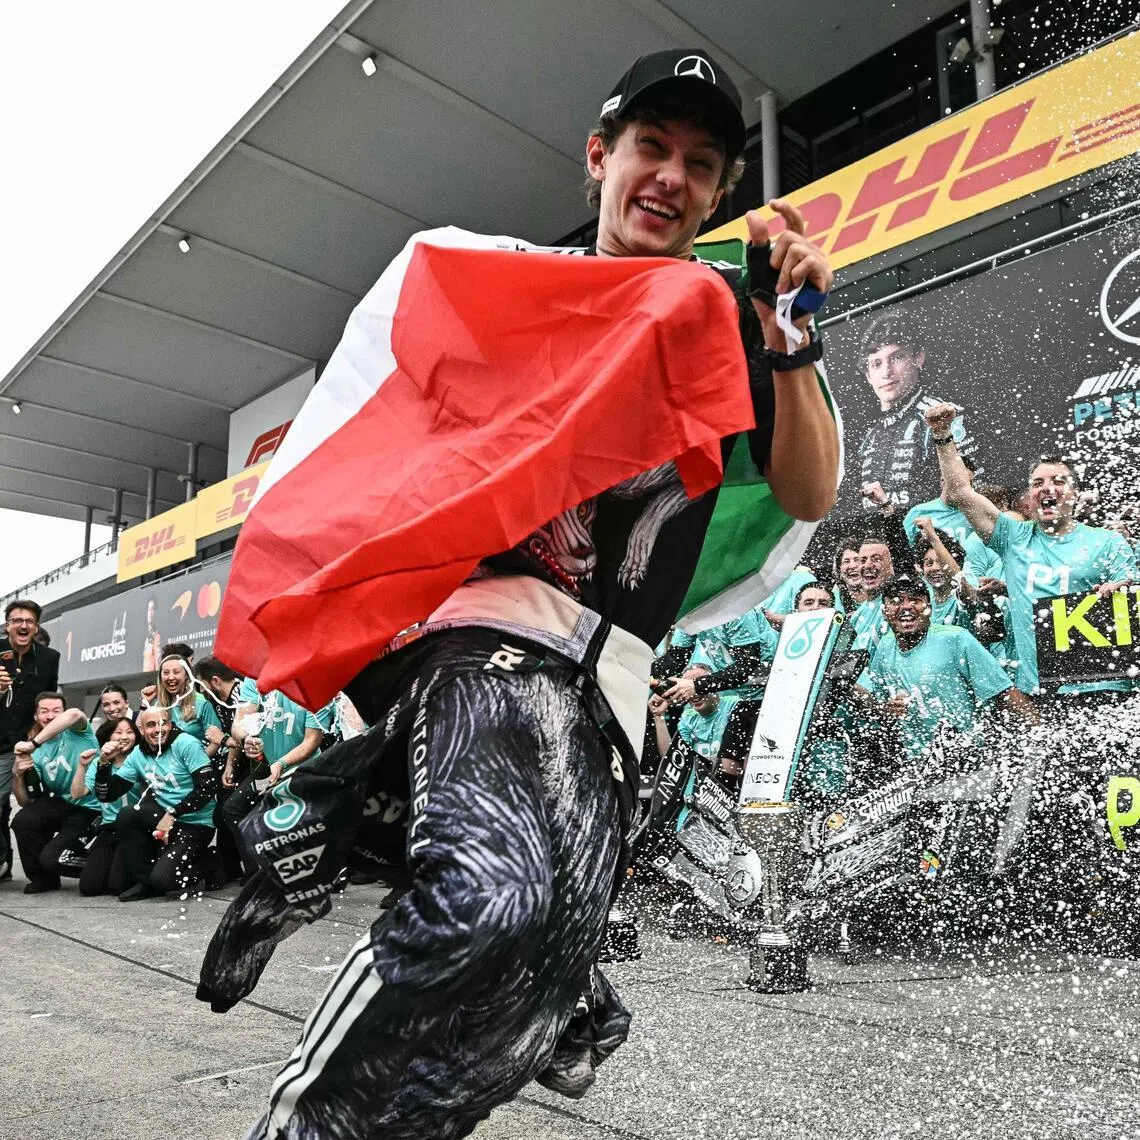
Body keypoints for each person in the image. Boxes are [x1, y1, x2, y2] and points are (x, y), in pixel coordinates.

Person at [199, 47, 840, 1140]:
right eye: (650, 148)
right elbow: (395, 452)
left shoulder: (732, 313)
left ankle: (378, 833)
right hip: (490, 646)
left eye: (698, 162)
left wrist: (789, 335)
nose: (669, 179)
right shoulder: (506, 286)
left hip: (610, 695)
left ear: (720, 192)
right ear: (600, 158)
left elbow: (809, 488)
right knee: (488, 907)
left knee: (536, 998)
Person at [925, 403, 1137, 702]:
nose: (1047, 488)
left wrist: (1122, 590)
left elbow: (1131, 595)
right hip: (1042, 692)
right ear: (1029, 495)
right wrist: (942, 435)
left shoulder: (1108, 542)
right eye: (1038, 483)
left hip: (1107, 687)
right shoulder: (1012, 538)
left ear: (1075, 493)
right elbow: (961, 492)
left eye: (1058, 481)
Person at [853, 575, 1036, 760]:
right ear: (884, 611)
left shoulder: (955, 639)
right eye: (896, 601)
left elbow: (1003, 692)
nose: (906, 606)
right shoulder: (885, 647)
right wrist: (887, 708)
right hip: (920, 765)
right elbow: (878, 707)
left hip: (967, 757)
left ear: (929, 609)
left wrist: (1042, 734)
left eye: (915, 600)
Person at [854, 313, 981, 511]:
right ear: (868, 375)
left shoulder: (944, 416)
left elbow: (975, 493)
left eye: (896, 357)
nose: (887, 372)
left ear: (918, 358)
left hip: (937, 538)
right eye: (876, 363)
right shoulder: (870, 436)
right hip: (883, 538)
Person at [95, 707, 218, 900]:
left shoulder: (186, 744)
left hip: (196, 823)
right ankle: (147, 881)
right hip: (164, 819)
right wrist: (103, 764)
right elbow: (108, 795)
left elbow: (208, 787)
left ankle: (211, 865)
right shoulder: (137, 755)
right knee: (127, 815)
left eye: (163, 723)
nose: (158, 729)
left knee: (165, 880)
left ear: (170, 725)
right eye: (151, 725)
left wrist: (173, 814)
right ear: (142, 730)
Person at [222, 680, 331, 881]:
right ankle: (258, 875)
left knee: (290, 821)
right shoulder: (255, 679)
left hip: (302, 768)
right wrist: (246, 738)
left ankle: (319, 869)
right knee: (234, 808)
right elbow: (238, 723)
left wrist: (280, 764)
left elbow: (311, 742)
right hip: (266, 767)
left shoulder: (313, 682)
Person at [10, 694, 101, 894]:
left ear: (62, 713)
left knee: (52, 859)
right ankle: (44, 880)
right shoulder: (37, 753)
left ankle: (106, 867)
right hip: (62, 804)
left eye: (56, 711)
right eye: (44, 711)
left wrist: (32, 743)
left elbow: (75, 714)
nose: (50, 716)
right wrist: (17, 775)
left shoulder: (79, 733)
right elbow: (27, 801)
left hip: (89, 807)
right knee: (23, 820)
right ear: (35, 716)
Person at [0, 599, 59, 881]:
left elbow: (48, 703)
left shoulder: (49, 658)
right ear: (7, 624)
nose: (23, 625)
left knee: (25, 805)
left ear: (36, 627)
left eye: (29, 621)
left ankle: (31, 866)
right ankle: (3, 864)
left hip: (25, 745)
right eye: (16, 620)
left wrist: (40, 739)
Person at [73, 716, 140, 896]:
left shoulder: (141, 757)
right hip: (109, 826)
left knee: (118, 886)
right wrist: (81, 766)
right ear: (109, 737)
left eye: (129, 732)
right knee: (89, 887)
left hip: (136, 828)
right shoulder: (99, 762)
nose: (124, 737)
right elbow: (77, 794)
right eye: (118, 732)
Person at [154, 653, 226, 760]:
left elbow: (216, 741)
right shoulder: (158, 706)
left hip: (199, 763)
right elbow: (142, 734)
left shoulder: (202, 703)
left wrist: (196, 763)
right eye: (166, 673)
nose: (171, 677)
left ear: (187, 675)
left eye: (176, 672)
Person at [142, 597, 162, 672]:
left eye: (152, 609)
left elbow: (158, 659)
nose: (150, 612)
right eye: (149, 609)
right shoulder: (144, 635)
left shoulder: (157, 635)